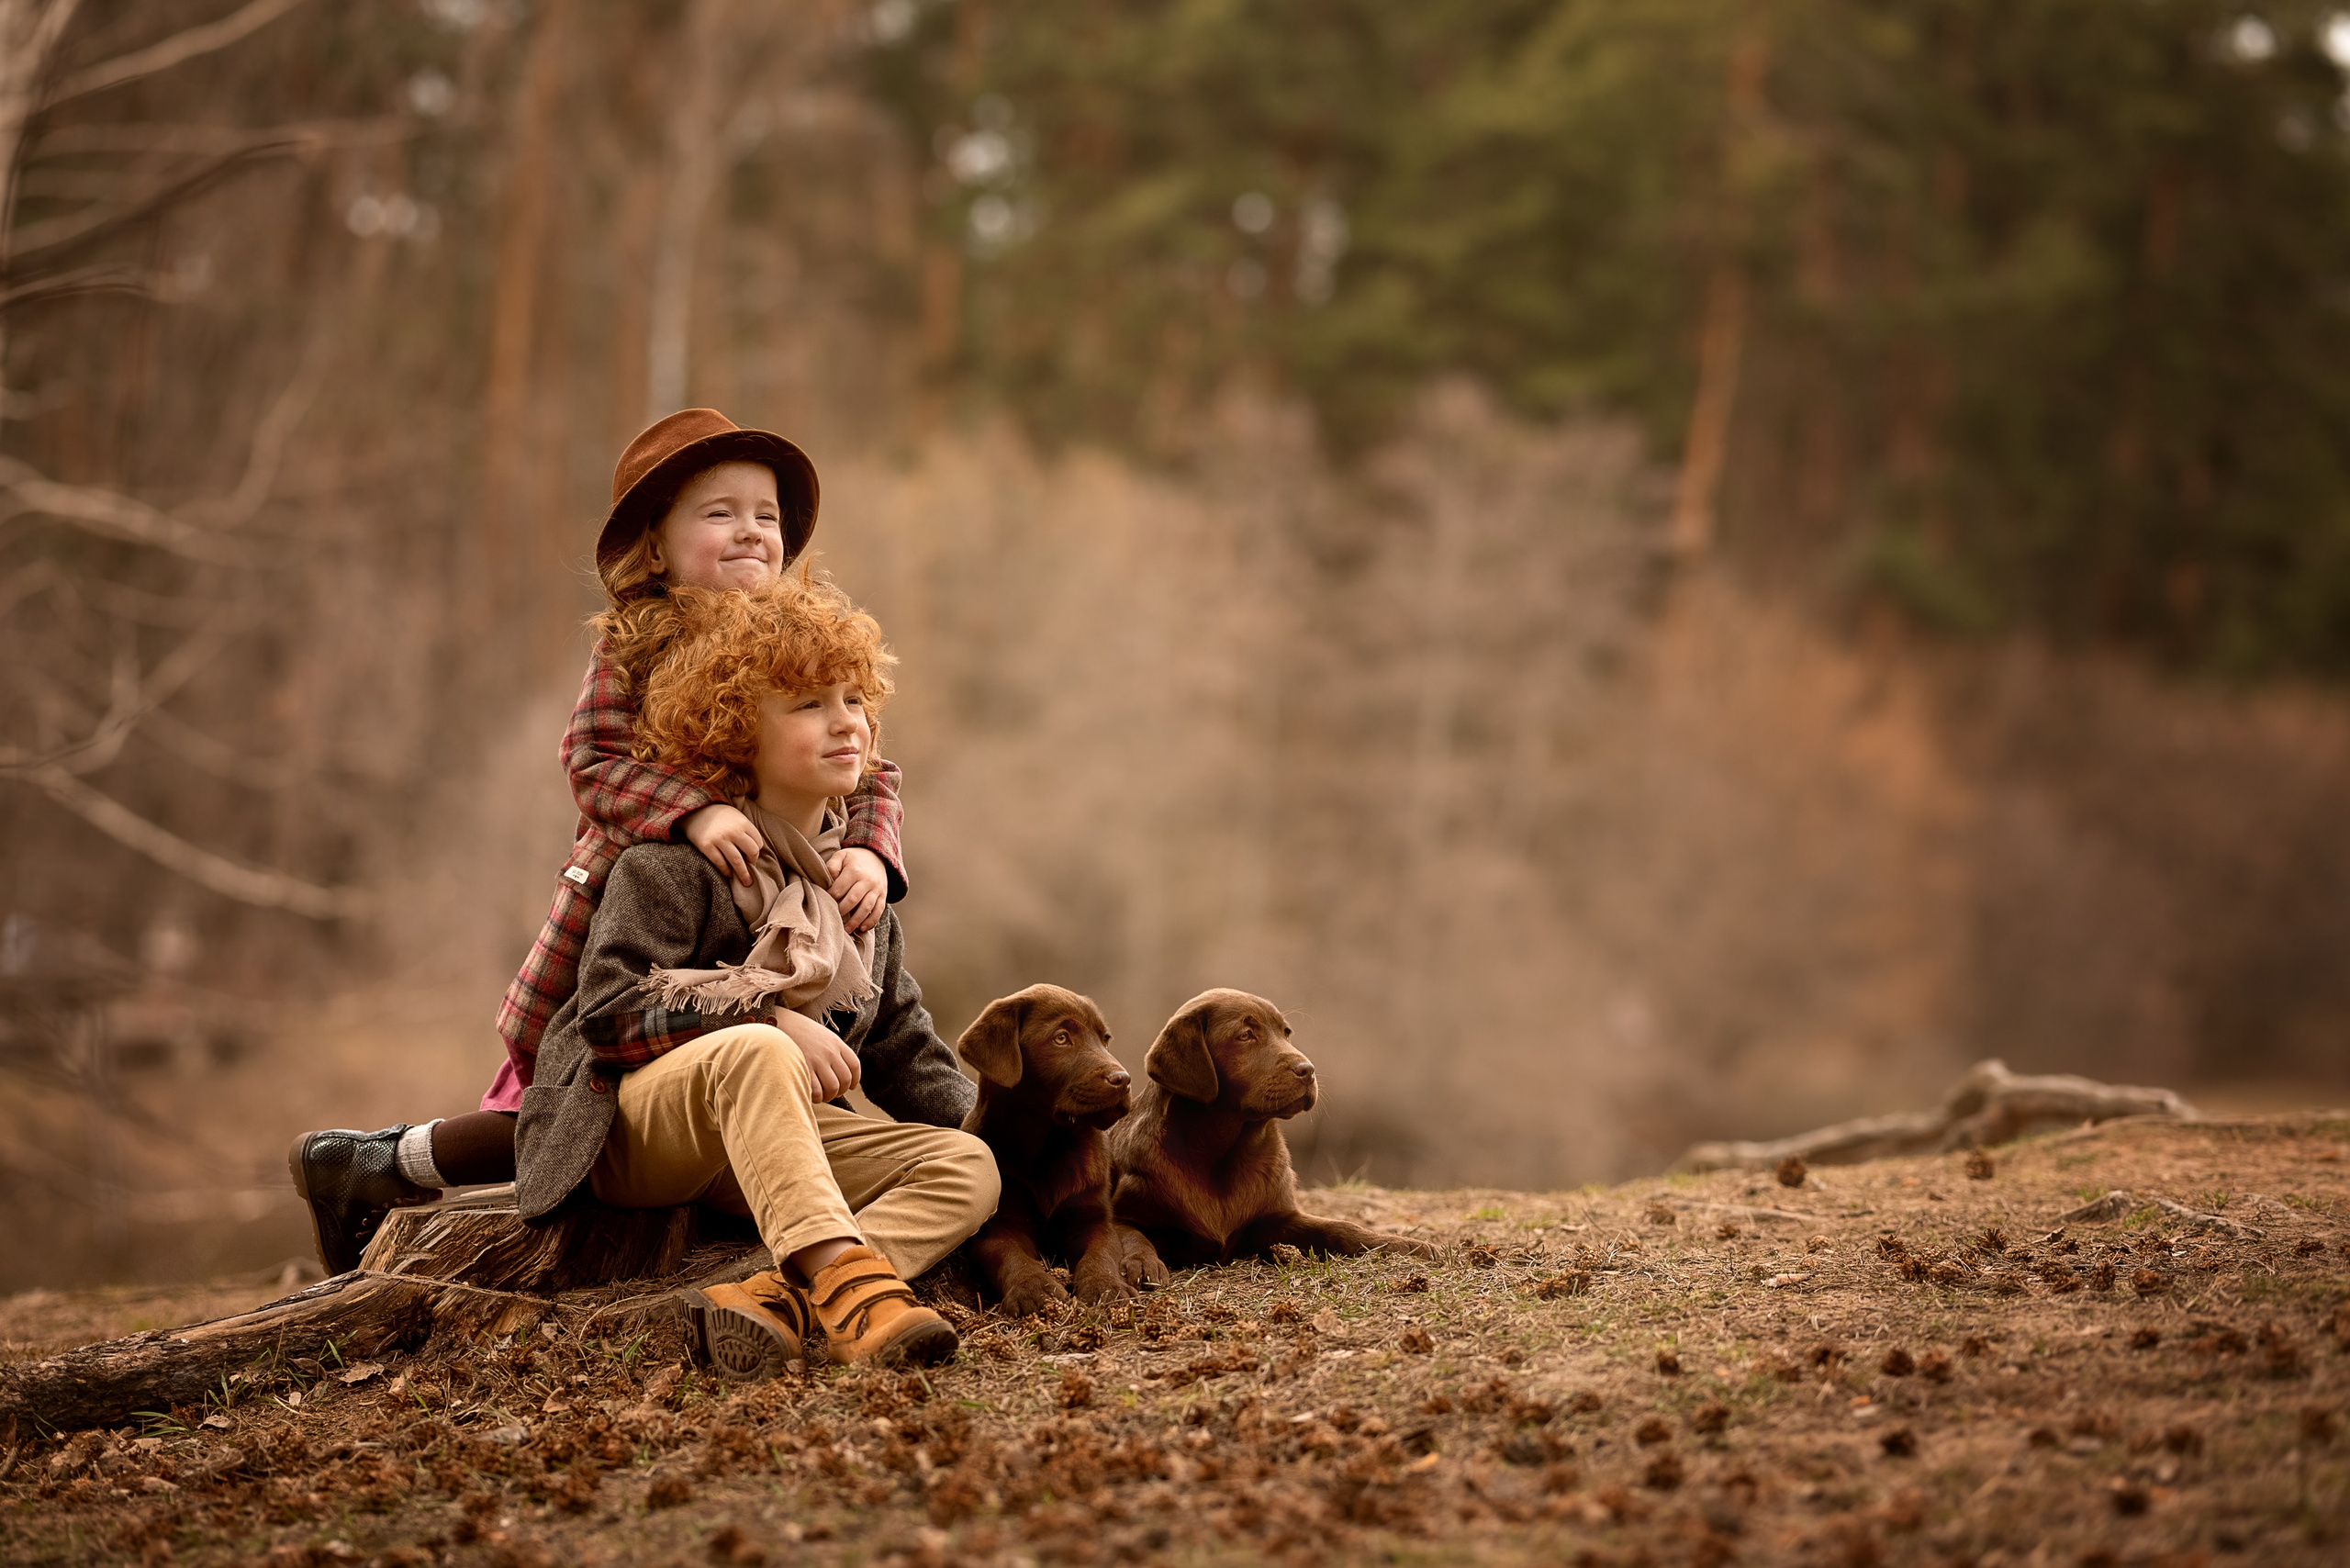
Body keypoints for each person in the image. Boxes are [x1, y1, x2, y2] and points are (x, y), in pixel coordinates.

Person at [289, 410, 907, 1273]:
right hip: (639, 910)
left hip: (762, 912)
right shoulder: (636, 644)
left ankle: (772, 1200)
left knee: (756, 1068)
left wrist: (871, 850)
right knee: (566, 1107)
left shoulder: (802, 647)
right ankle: (371, 1164)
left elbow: (871, 764)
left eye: (766, 515)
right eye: (718, 513)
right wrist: (692, 810)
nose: (750, 532)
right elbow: (592, 759)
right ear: (654, 547)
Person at [517, 575, 993, 1371]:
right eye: (809, 705)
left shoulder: (858, 891)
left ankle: (782, 1294)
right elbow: (605, 1014)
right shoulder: (668, 866)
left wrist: (1025, 1144)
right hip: (640, 1132)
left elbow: (912, 1056)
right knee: (761, 1051)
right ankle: (855, 1296)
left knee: (967, 1167)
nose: (847, 724)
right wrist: (768, 1019)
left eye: (854, 700)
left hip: (773, 1142)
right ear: (735, 734)